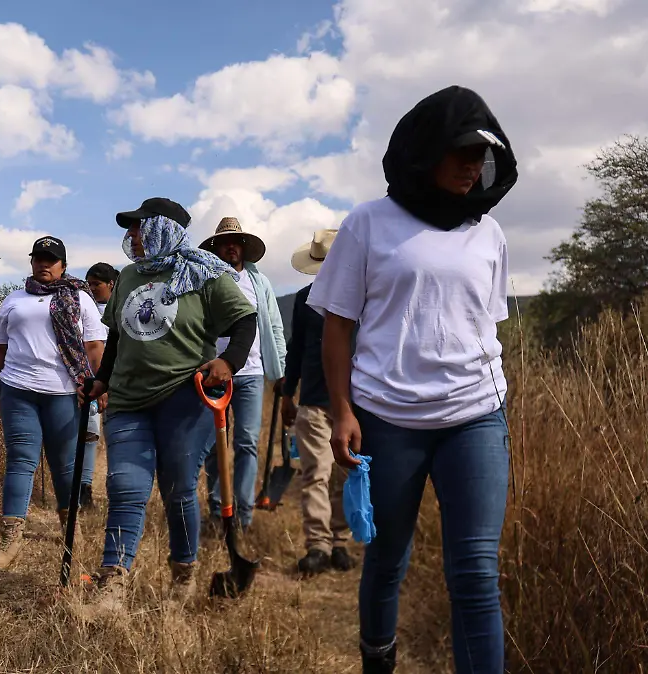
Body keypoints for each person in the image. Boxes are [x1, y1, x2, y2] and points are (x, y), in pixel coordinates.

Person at [307, 85, 517, 674]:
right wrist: (344, 411)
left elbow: (481, 325)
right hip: (387, 418)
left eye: (482, 154)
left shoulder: (490, 233)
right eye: (461, 152)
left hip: (475, 416)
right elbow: (338, 327)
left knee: (475, 572)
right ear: (426, 151)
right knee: (387, 560)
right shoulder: (370, 223)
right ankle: (379, 660)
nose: (474, 166)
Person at [82, 197, 257, 607]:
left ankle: (183, 574)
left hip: (186, 397)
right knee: (125, 485)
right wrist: (101, 380)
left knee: (178, 490)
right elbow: (117, 338)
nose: (130, 237)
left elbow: (245, 319)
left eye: (138, 228)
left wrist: (229, 361)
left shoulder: (204, 272)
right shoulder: (127, 277)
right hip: (128, 398)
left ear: (162, 228)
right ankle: (113, 581)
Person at [0, 236, 107, 571]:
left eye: (50, 259)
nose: (43, 264)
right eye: (38, 258)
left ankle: (70, 528)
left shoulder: (81, 298)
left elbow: (94, 346)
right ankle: (10, 539)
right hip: (18, 390)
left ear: (63, 265)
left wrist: (100, 385)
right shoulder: (14, 300)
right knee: (20, 460)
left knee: (65, 466)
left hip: (65, 393)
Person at [197, 217, 285, 531]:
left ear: (243, 248)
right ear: (215, 248)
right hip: (214, 372)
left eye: (235, 242)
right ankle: (219, 510)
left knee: (247, 442)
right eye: (224, 242)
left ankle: (243, 517)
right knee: (211, 443)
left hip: (252, 372)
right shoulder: (204, 281)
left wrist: (281, 369)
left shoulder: (259, 283)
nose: (230, 247)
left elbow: (274, 325)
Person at [281, 228, 356, 577]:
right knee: (315, 474)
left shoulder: (364, 297)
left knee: (346, 474)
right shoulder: (303, 299)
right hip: (312, 397)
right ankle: (319, 545)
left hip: (353, 402)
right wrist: (287, 392)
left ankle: (340, 542)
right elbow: (296, 348)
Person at [77, 262, 119, 508]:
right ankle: (84, 488)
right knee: (89, 433)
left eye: (97, 284)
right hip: (92, 379)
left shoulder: (121, 307)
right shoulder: (84, 307)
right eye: (89, 284)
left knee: (116, 436)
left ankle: (118, 488)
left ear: (111, 284)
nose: (92, 289)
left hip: (120, 380)